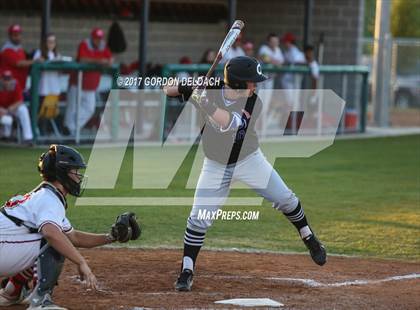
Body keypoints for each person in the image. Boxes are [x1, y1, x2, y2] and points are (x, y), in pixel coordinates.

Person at [164, 56, 327, 292]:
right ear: (239, 83)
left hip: (248, 160)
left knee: (285, 199)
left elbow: (228, 123)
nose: (256, 85)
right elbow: (165, 89)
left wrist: (203, 101)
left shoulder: (254, 103)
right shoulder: (210, 88)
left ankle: (308, 237)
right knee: (199, 217)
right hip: (215, 165)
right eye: (252, 82)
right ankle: (187, 269)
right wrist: (186, 86)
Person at [0, 144, 141, 309]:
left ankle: (11, 292)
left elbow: (74, 237)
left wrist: (112, 236)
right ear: (61, 172)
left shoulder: (46, 195)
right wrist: (81, 262)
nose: (79, 176)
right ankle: (40, 302)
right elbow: (52, 234)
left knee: (59, 238)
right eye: (75, 171)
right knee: (54, 240)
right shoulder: (49, 199)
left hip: (5, 248)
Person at [64, 28, 113, 135]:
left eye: (99, 38)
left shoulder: (103, 46)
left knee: (90, 109)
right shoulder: (84, 44)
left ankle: (70, 129)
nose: (98, 41)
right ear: (92, 37)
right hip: (77, 83)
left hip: (91, 86)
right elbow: (82, 59)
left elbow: (110, 60)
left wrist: (107, 61)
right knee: (72, 108)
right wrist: (100, 61)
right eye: (96, 38)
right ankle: (70, 132)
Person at [33, 34, 62, 121]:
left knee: (52, 112)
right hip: (43, 88)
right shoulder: (39, 52)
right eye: (49, 42)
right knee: (41, 111)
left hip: (54, 88)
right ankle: (39, 130)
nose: (51, 44)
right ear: (45, 43)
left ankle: (48, 130)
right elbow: (35, 66)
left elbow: (60, 73)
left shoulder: (57, 54)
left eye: (53, 42)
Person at [0, 24, 37, 92]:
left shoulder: (19, 49)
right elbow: (19, 63)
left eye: (19, 34)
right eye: (15, 35)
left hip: (19, 87)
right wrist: (36, 61)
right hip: (9, 88)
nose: (18, 37)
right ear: (10, 36)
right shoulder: (6, 50)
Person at [0, 70, 33, 143]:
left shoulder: (15, 84)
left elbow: (20, 101)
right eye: (5, 79)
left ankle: (28, 138)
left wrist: (10, 108)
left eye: (8, 79)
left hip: (12, 108)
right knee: (6, 119)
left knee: (23, 110)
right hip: (1, 110)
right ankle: (6, 136)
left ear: (11, 79)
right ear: (1, 79)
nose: (6, 82)